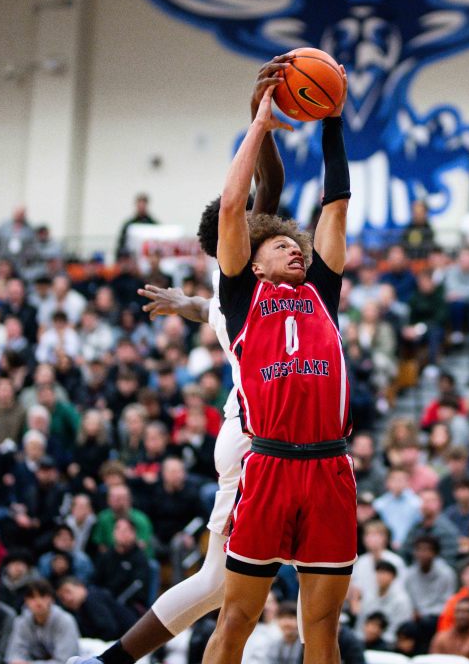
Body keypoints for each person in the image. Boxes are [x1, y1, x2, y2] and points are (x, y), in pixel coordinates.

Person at [78, 59, 292, 664]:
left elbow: (262, 207)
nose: (269, 221)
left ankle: (109, 662)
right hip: (254, 439)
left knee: (219, 586)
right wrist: (259, 122)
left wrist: (191, 305)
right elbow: (265, 193)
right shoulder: (241, 271)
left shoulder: (235, 286)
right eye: (258, 223)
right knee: (227, 586)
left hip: (262, 435)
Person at [197, 72, 355, 664]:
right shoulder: (240, 298)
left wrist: (333, 120)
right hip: (267, 466)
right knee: (236, 616)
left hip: (328, 469)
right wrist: (260, 123)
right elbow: (235, 204)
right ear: (252, 260)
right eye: (280, 244)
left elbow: (335, 202)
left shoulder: (323, 291)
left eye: (297, 243)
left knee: (323, 626)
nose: (295, 246)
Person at [5, 578, 81, 664]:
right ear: (26, 601)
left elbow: (65, 660)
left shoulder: (66, 621)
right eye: (32, 597)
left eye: (42, 596)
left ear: (51, 599)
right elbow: (13, 654)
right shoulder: (21, 622)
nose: (38, 601)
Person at [115, 193, 157, 258]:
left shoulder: (153, 224)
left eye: (143, 204)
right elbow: (121, 244)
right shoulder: (128, 225)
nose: (141, 206)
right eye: (140, 203)